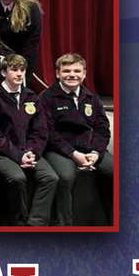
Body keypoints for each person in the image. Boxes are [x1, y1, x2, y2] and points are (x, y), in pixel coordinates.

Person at [0, 54, 58, 226]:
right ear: (3, 72)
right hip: (1, 153)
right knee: (17, 178)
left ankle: (35, 224)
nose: (19, 74)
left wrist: (33, 152)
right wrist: (18, 156)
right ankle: (18, 224)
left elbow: (40, 131)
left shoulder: (31, 97)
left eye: (22, 70)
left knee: (50, 177)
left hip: (29, 151)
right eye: (14, 70)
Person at [40, 53, 113, 226]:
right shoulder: (46, 98)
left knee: (117, 172)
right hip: (59, 150)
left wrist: (96, 152)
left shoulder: (92, 98)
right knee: (65, 177)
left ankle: (110, 222)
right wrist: (73, 154)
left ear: (84, 74)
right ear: (57, 74)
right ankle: (64, 226)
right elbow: (47, 132)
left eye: (76, 71)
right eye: (66, 71)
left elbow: (102, 129)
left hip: (90, 149)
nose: (72, 75)